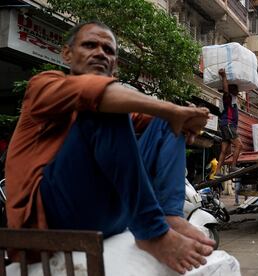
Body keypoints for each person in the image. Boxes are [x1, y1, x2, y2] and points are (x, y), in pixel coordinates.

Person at [5, 21, 215, 274]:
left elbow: (164, 122)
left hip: (109, 214)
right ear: (67, 54)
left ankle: (171, 215)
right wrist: (174, 109)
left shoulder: (113, 98)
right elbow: (93, 94)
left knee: (167, 123)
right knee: (104, 106)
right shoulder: (43, 85)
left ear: (114, 64)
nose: (100, 53)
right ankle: (153, 231)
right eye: (89, 45)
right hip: (53, 217)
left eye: (108, 50)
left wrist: (183, 119)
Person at [214, 68, 243, 178]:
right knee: (239, 145)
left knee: (224, 150)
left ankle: (217, 172)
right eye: (235, 89)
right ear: (231, 90)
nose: (237, 91)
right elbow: (225, 91)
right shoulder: (228, 98)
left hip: (227, 125)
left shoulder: (234, 101)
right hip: (228, 124)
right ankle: (233, 167)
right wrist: (224, 76)